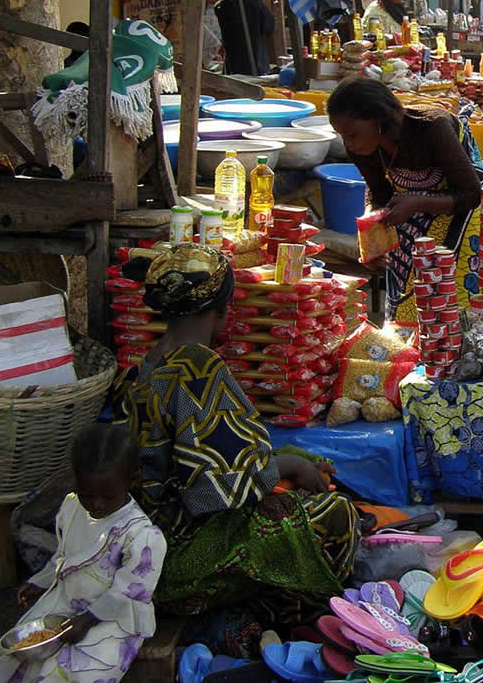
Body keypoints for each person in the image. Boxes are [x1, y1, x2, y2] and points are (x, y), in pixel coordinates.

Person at [113, 244, 358, 625]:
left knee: (298, 498)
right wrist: (291, 464)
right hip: (180, 559)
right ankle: (284, 611)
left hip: (150, 541)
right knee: (335, 515)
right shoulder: (195, 367)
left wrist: (294, 461)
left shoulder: (144, 367)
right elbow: (215, 493)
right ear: (221, 310)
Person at [0, 425, 167, 683]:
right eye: (87, 494)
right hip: (66, 600)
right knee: (17, 657)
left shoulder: (142, 536)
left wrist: (87, 620)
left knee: (75, 672)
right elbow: (63, 555)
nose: (96, 504)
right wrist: (40, 582)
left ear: (133, 481)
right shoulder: (72, 507)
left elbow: (130, 593)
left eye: (108, 496)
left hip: (114, 617)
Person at [328, 79, 483, 323]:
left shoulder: (433, 128)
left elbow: (471, 195)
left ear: (378, 119)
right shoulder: (362, 147)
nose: (348, 144)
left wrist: (416, 203)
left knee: (450, 305)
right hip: (409, 215)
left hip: (461, 212)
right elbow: (379, 194)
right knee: (408, 302)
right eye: (342, 136)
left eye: (352, 135)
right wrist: (372, 239)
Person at [214, 0, 275, 75]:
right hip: (255, 65)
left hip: (232, 66)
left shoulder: (221, 6)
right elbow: (270, 29)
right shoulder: (257, 5)